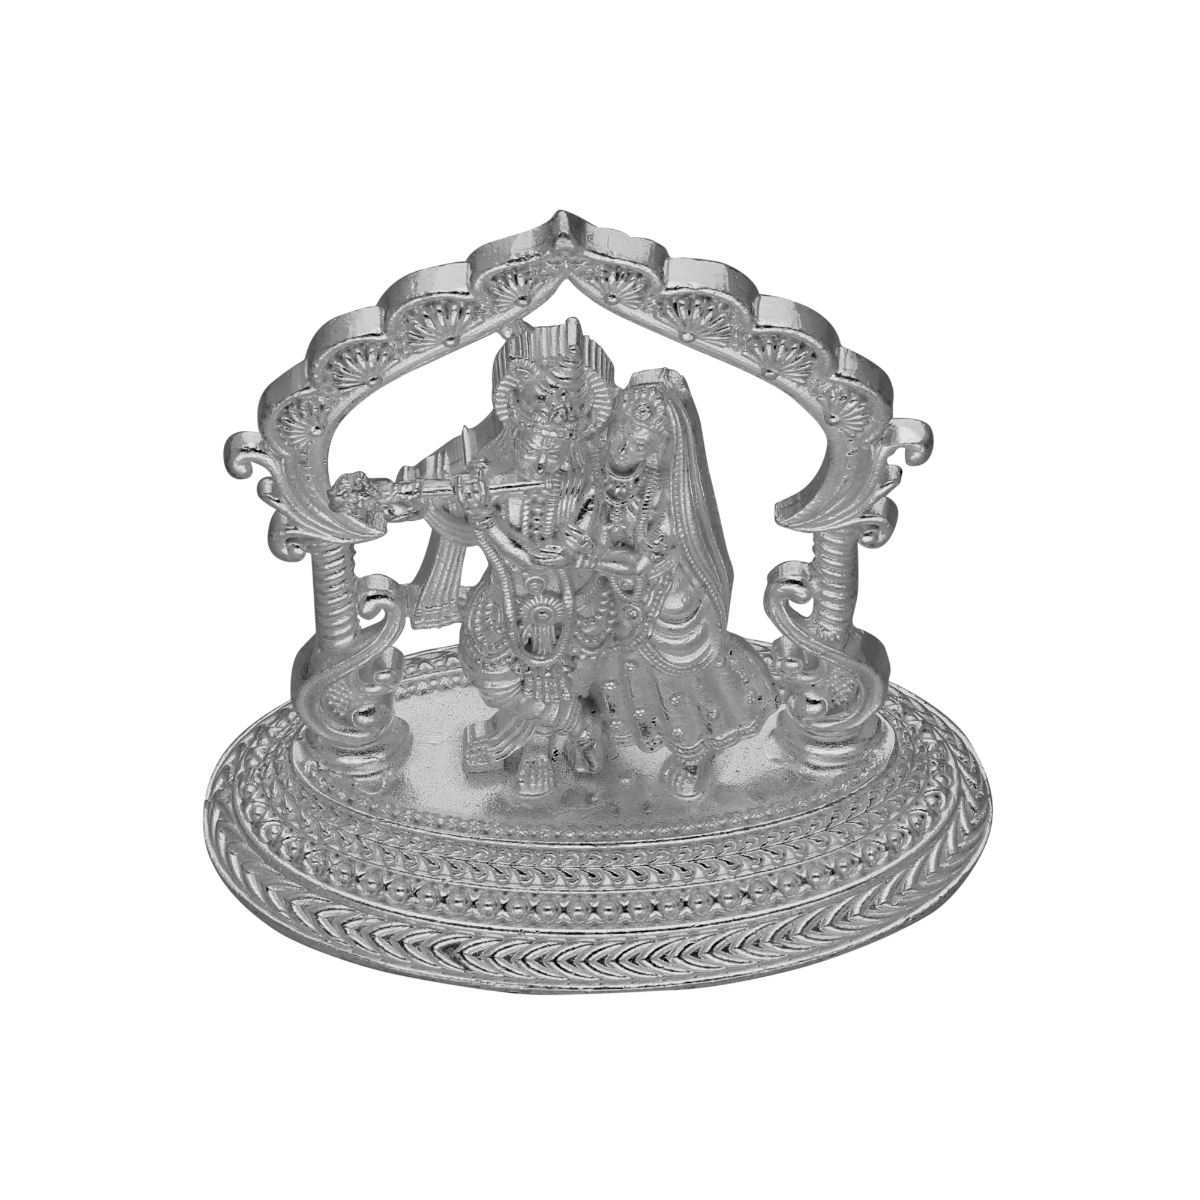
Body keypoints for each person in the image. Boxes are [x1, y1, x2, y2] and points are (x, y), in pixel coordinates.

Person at [589, 369, 774, 797]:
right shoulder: (604, 475)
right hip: (617, 600)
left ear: (658, 451)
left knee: (675, 683)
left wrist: (597, 557)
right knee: (611, 670)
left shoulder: (664, 495)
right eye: (620, 435)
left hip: (665, 605)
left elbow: (644, 560)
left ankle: (692, 752)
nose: (622, 449)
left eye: (638, 445)